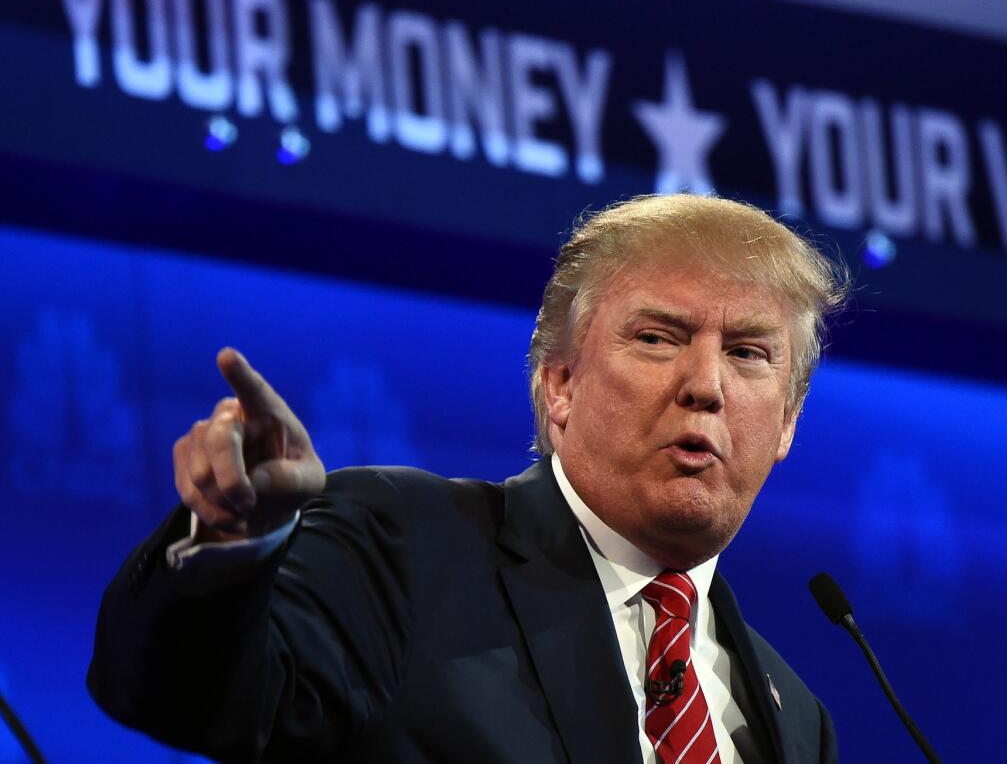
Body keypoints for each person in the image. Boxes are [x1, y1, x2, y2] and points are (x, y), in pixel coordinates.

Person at [88, 193, 847, 763]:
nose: (705, 384)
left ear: (786, 424)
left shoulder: (797, 720)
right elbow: (184, 695)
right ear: (561, 386)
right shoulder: (404, 545)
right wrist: (233, 542)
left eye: (749, 352)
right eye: (657, 337)